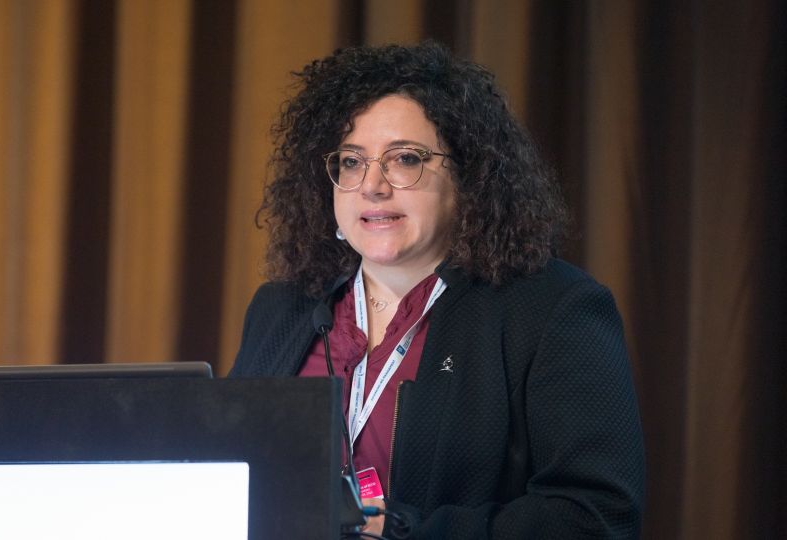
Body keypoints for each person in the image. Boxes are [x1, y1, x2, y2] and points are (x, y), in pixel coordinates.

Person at [229, 41, 644, 539]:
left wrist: (400, 531)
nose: (372, 185)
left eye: (405, 159)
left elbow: (596, 516)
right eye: (352, 162)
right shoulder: (282, 309)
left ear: (467, 176)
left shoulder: (552, 309)